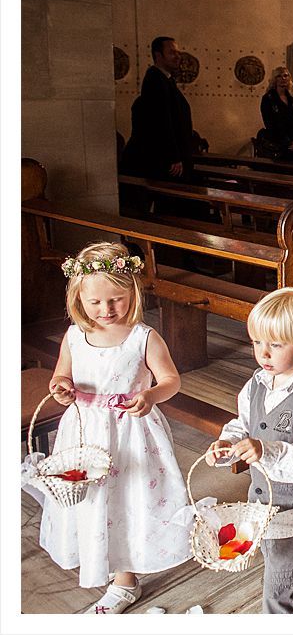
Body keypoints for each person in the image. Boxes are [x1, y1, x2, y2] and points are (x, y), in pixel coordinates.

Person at [24, 242, 191, 613]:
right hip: (84, 433)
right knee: (94, 500)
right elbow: (62, 376)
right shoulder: (73, 337)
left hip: (131, 433)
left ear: (132, 293)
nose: (106, 310)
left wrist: (151, 395)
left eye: (116, 299)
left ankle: (125, 580)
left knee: (129, 499)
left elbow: (171, 380)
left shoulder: (143, 337)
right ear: (78, 299)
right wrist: (61, 389)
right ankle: (98, 555)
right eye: (95, 302)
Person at [206, 287, 293, 614]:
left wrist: (265, 451)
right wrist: (228, 446)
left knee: (279, 589)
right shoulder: (257, 384)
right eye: (257, 343)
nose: (263, 353)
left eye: (275, 345)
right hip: (262, 504)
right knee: (286, 557)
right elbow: (243, 425)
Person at [120, 36, 194, 182]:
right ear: (158, 55)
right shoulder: (155, 80)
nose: (178, 57)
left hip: (171, 157)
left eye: (178, 53)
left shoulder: (166, 80)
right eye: (172, 53)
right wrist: (173, 156)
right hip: (165, 160)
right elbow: (161, 120)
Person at [259, 66, 293, 158]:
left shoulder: (292, 99)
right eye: (279, 76)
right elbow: (269, 123)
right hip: (277, 143)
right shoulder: (268, 99)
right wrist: (286, 141)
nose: (283, 78)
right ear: (275, 79)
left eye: (286, 76)